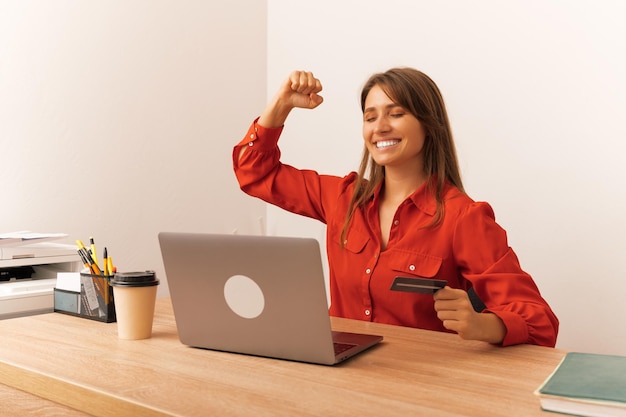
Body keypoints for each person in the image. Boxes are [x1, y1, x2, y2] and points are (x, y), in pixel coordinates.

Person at [233, 68, 559, 347]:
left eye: (396, 113)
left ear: (429, 125)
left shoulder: (464, 218)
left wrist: (482, 325)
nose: (380, 127)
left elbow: (541, 323)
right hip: (336, 373)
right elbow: (253, 172)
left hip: (416, 385)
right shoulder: (341, 198)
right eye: (370, 116)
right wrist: (280, 105)